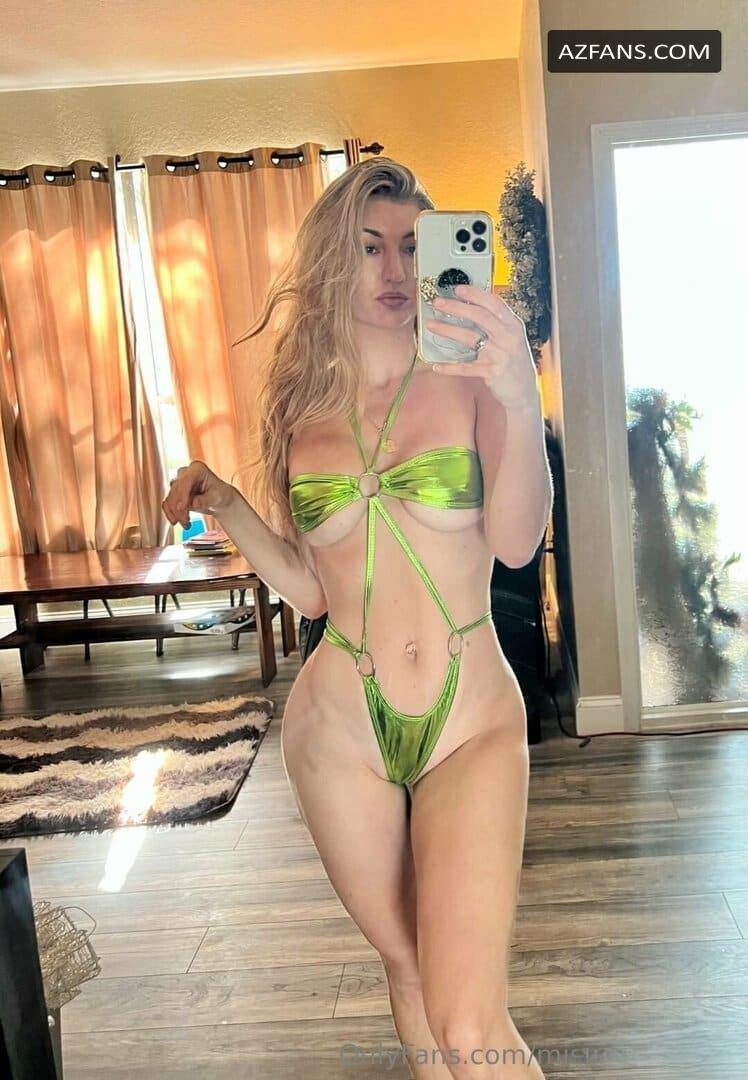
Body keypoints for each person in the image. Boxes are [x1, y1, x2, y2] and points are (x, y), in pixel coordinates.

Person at [163, 158, 553, 1078]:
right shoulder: (304, 415)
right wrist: (227, 503)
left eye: (413, 247)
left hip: (470, 718)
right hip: (339, 727)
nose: (393, 270)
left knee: (469, 1017)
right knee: (409, 971)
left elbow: (515, 543)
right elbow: (311, 589)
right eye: (369, 247)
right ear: (334, 261)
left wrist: (519, 395)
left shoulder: (472, 383)